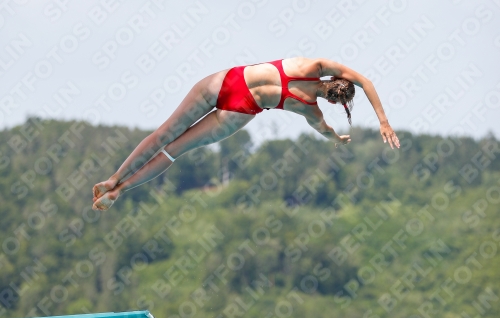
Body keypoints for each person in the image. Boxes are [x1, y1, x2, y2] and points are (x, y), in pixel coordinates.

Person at [92, 57, 400, 211]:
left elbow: (364, 81)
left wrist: (384, 121)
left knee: (163, 134)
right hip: (239, 109)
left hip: (228, 81)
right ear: (334, 100)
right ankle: (121, 190)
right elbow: (324, 130)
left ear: (334, 78)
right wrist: (337, 138)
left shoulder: (312, 64)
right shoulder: (310, 108)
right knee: (174, 150)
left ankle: (114, 176)